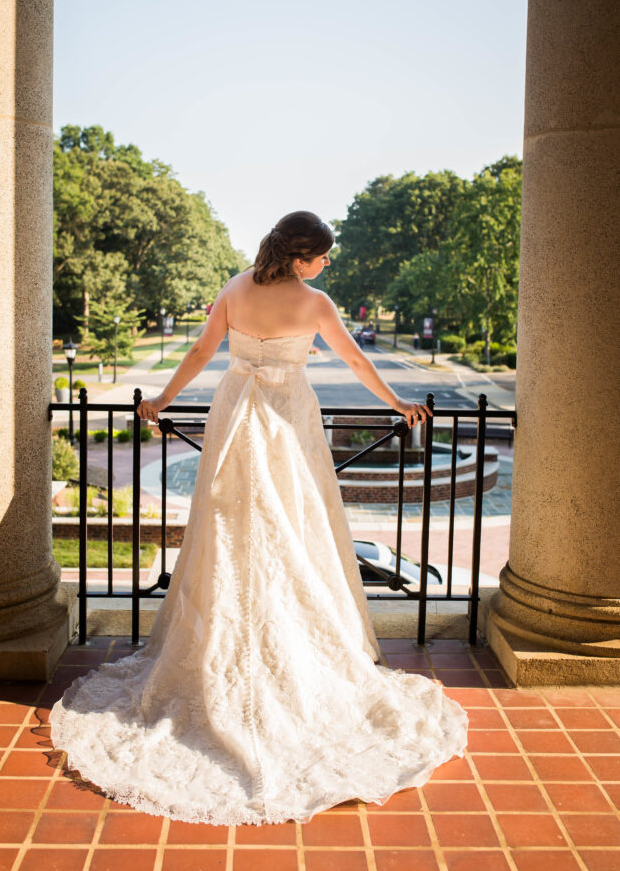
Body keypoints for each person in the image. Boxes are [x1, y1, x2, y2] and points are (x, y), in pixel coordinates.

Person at [49, 210, 468, 827]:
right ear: (300, 257)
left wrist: (162, 400)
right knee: (295, 526)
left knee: (231, 532)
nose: (328, 264)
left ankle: (226, 640)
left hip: (236, 414)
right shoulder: (317, 304)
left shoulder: (235, 287)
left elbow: (200, 350)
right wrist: (398, 403)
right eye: (323, 255)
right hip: (287, 416)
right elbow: (354, 361)